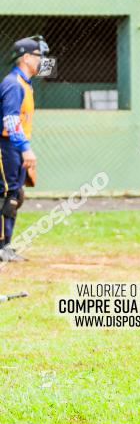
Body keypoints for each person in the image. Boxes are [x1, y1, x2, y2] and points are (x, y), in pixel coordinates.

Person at [0, 36, 48, 261]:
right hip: (6, 145)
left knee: (16, 194)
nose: (42, 61)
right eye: (39, 56)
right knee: (7, 196)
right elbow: (10, 120)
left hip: (14, 145)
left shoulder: (25, 84)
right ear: (26, 58)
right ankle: (2, 247)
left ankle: (6, 246)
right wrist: (25, 148)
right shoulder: (13, 84)